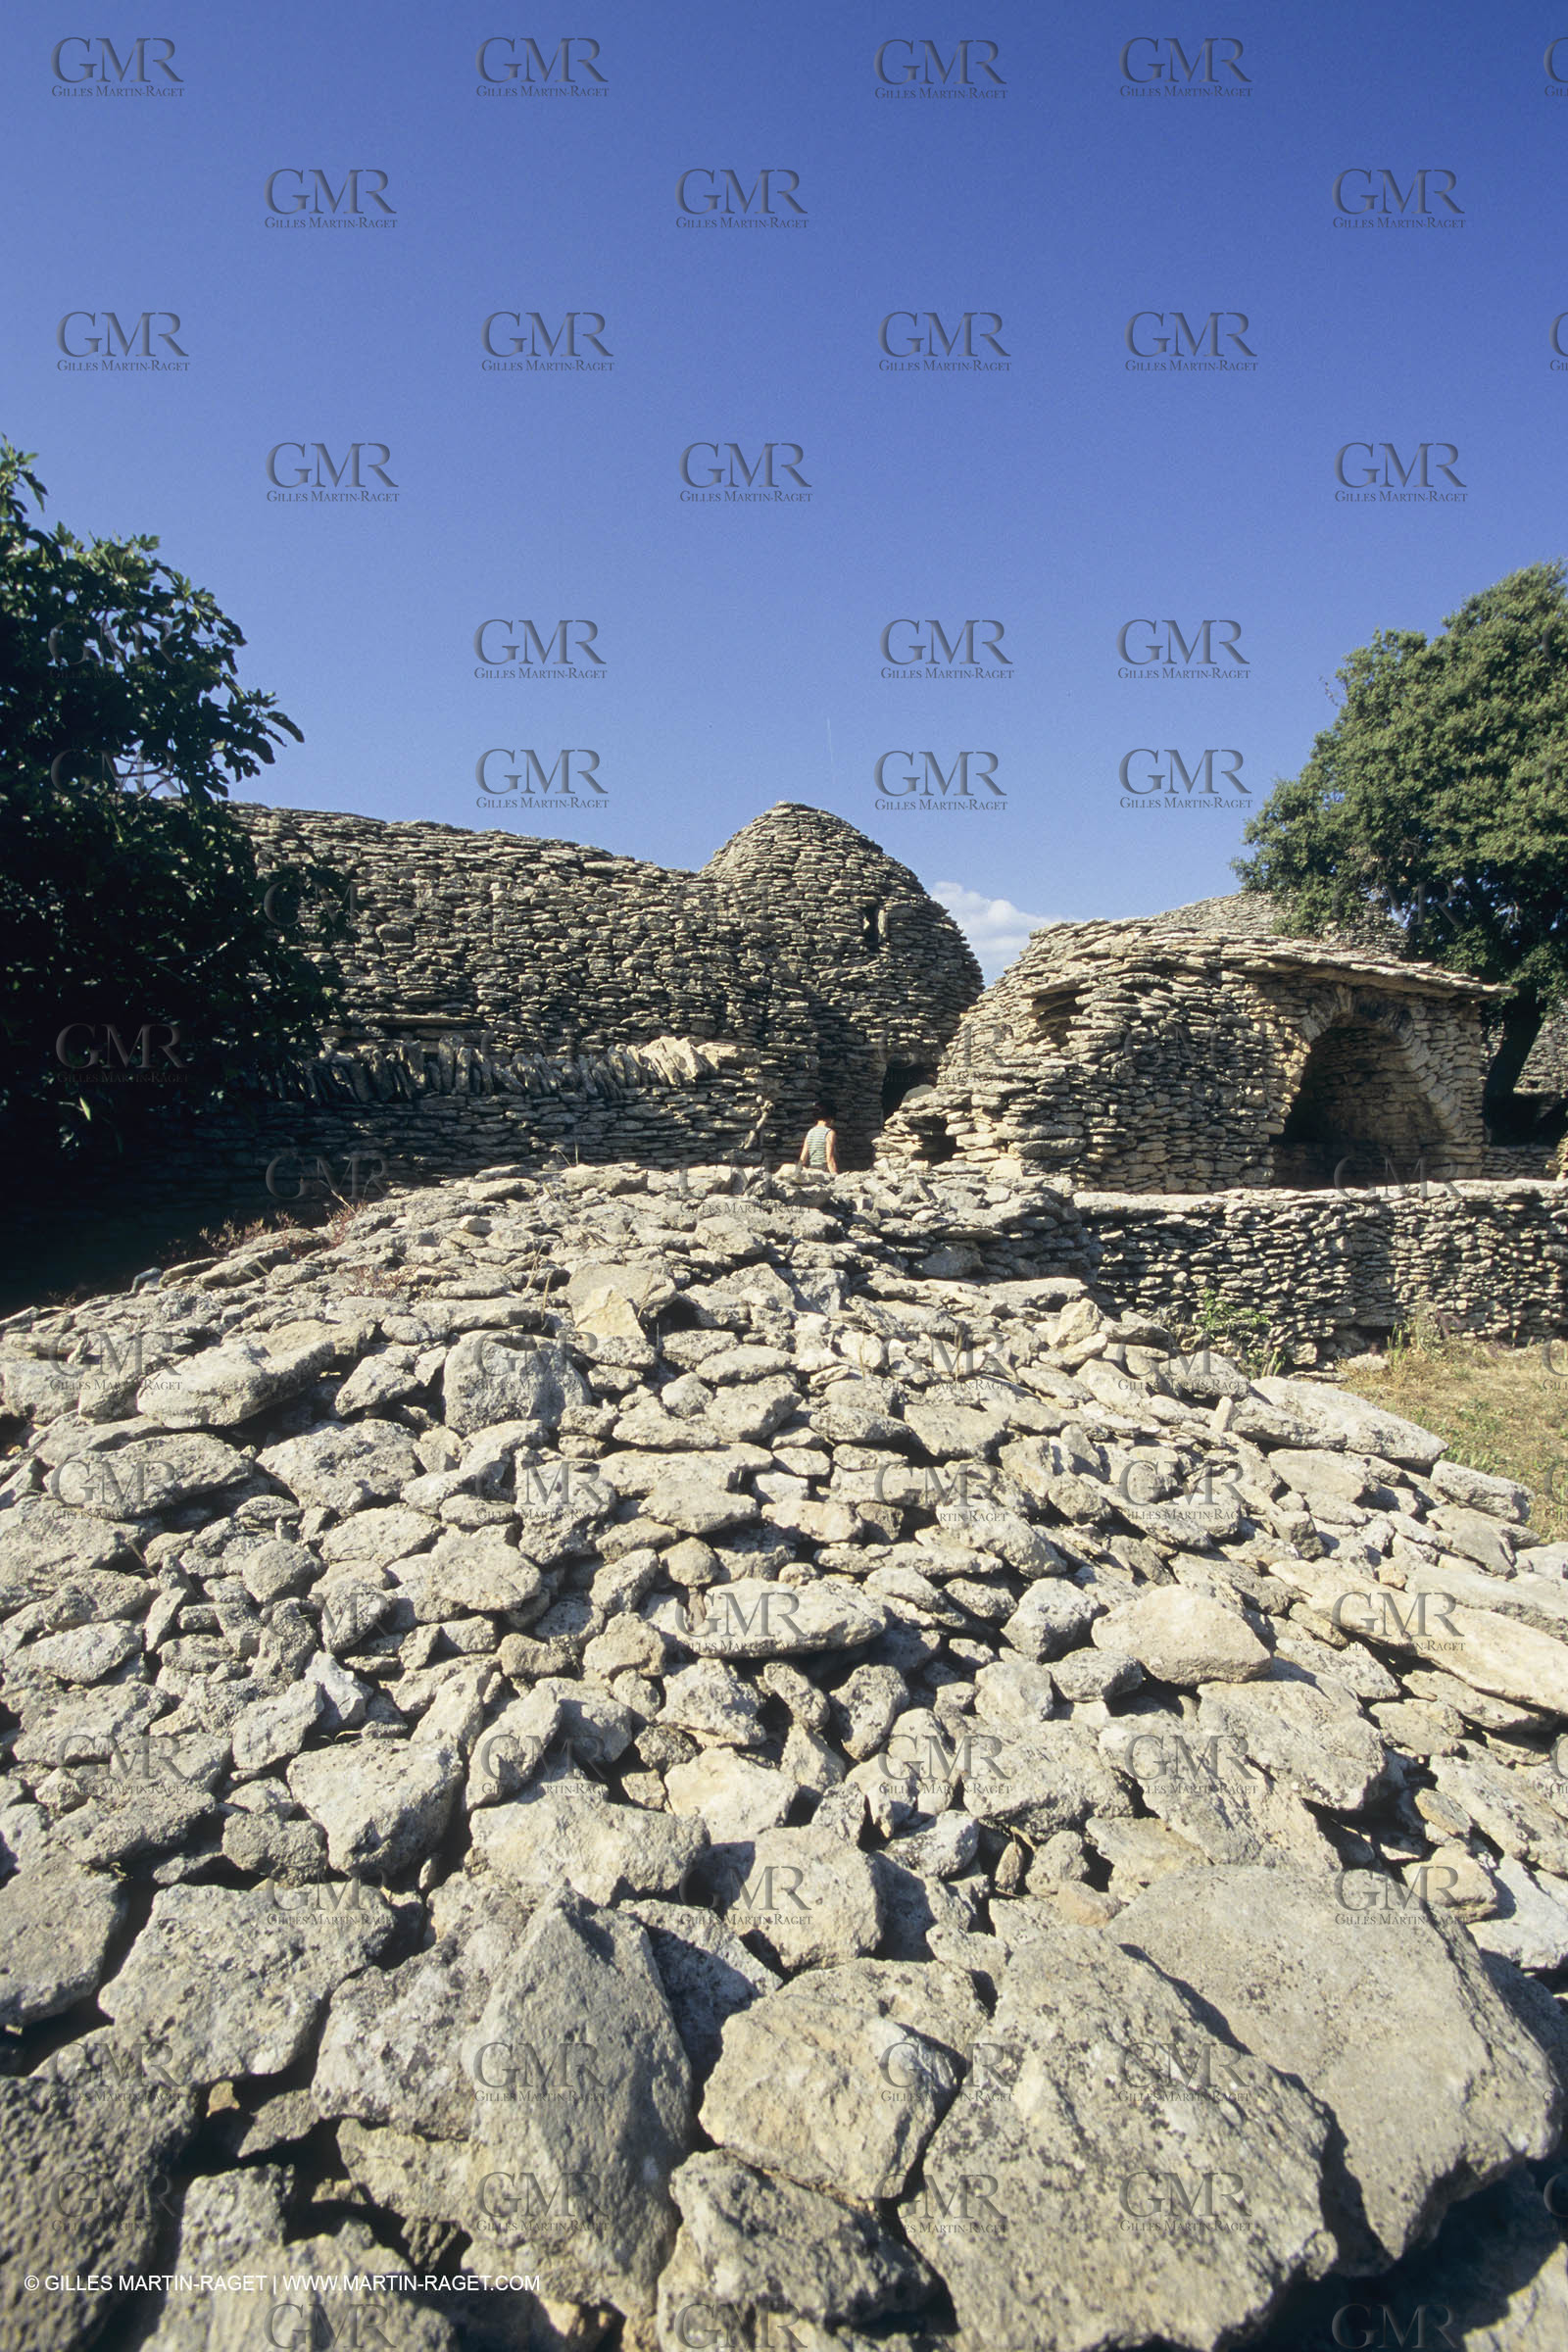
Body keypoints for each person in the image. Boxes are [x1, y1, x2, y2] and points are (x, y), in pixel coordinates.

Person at [799, 1106, 838, 1175]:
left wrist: (796, 1173)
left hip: (812, 1169)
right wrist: (835, 1175)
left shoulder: (810, 1132)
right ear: (830, 1117)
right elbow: (829, 1158)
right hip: (824, 1169)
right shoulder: (829, 1132)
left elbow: (803, 1158)